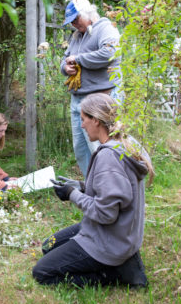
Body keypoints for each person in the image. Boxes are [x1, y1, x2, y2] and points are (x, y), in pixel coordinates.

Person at [32, 93, 154, 288]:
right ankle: (125, 260)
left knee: (42, 272)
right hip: (120, 234)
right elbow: (114, 190)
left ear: (96, 120)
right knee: (49, 245)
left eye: (83, 120)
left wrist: (73, 194)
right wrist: (81, 186)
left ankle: (113, 274)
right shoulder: (125, 144)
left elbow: (105, 214)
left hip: (109, 240)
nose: (81, 126)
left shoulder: (108, 157)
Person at [60, 0, 121, 177]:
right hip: (77, 101)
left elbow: (110, 53)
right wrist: (65, 67)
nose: (73, 24)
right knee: (81, 149)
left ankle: (108, 186)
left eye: (76, 19)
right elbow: (66, 59)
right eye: (71, 22)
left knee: (99, 148)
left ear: (87, 14)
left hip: (99, 100)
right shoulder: (77, 35)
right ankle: (92, 187)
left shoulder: (105, 28)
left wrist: (78, 59)